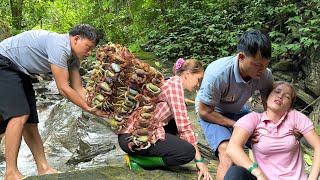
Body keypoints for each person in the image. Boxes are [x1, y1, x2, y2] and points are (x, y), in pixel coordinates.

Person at [0, 24, 108, 180]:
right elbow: (63, 88)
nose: (89, 53)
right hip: (4, 62)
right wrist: (88, 109)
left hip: (21, 71)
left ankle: (44, 168)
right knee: (19, 115)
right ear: (76, 39)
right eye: (88, 47)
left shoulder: (73, 60)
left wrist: (99, 107)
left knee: (30, 122)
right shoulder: (60, 46)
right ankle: (10, 173)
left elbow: (79, 89)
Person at [195, 29, 273, 180]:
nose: (262, 70)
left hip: (237, 110)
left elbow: (269, 109)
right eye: (257, 65)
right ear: (241, 57)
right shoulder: (217, 73)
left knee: (267, 142)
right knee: (227, 154)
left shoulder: (265, 74)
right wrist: (237, 125)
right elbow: (204, 111)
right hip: (212, 111)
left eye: (265, 64)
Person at [118, 58, 213, 180]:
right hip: (132, 138)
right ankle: (139, 160)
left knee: (174, 123)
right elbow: (184, 125)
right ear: (188, 75)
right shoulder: (175, 85)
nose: (198, 84)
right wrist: (199, 160)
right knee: (188, 152)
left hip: (128, 136)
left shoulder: (170, 81)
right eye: (198, 79)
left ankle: (142, 155)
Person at [225, 81, 320, 180]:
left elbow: (318, 145)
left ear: (290, 107)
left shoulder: (295, 117)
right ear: (267, 97)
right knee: (235, 172)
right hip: (263, 178)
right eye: (277, 92)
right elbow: (232, 148)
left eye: (287, 96)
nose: (280, 96)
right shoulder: (253, 118)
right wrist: (258, 173)